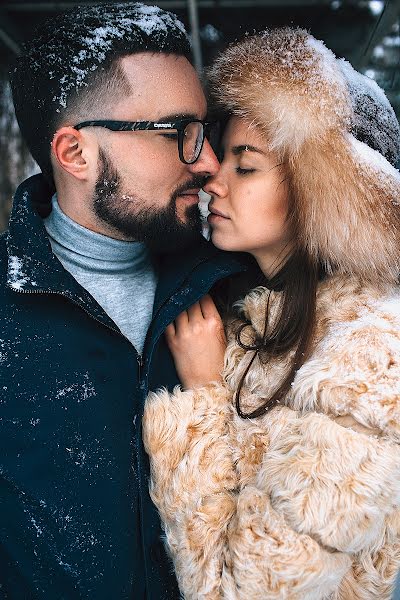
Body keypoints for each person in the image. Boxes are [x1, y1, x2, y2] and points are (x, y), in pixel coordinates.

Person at [0, 3, 251, 598]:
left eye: (206, 133)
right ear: (75, 154)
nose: (209, 161)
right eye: (177, 135)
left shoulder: (241, 288)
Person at [143, 28, 400, 599]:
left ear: (322, 191)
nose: (212, 176)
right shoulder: (255, 311)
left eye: (247, 165)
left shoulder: (368, 362)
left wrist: (205, 396)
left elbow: (242, 593)